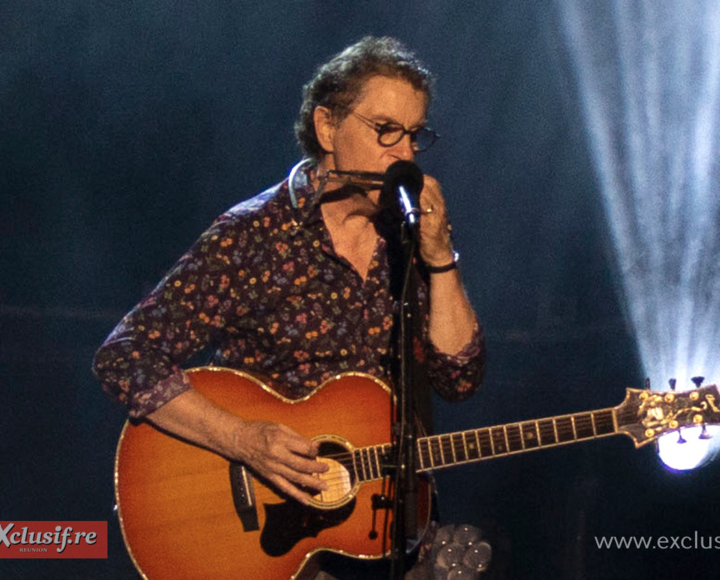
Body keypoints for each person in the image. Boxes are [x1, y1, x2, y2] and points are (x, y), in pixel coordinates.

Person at [93, 36, 486, 579]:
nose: (405, 154)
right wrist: (241, 439)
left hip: (385, 537)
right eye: (385, 131)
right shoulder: (253, 236)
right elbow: (125, 356)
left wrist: (441, 260)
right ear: (327, 127)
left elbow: (460, 379)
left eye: (415, 136)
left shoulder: (411, 237)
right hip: (272, 543)